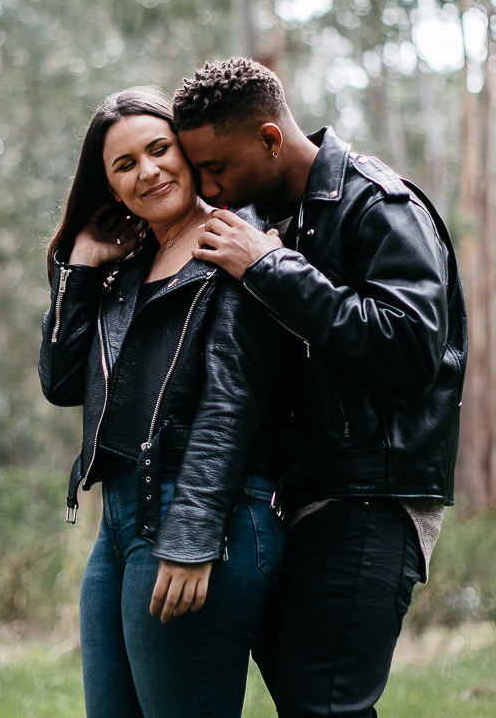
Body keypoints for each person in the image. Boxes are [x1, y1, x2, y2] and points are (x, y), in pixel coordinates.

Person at [172, 57, 467, 718]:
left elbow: (411, 347)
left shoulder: (379, 203)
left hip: (373, 494)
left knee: (321, 703)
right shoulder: (267, 217)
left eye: (218, 168)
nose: (211, 188)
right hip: (298, 499)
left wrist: (271, 267)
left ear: (271, 138)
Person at [38, 86, 284, 718]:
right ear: (110, 187)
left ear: (187, 152)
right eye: (125, 165)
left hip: (202, 512)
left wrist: (195, 530)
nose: (148, 172)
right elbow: (63, 384)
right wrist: (83, 266)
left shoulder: (235, 239)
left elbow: (234, 399)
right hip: (118, 522)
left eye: (159, 149)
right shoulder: (126, 269)